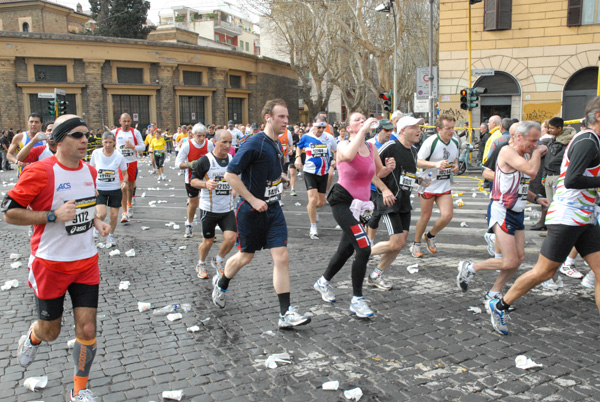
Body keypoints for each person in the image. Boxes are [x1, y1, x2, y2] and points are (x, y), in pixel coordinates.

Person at [2, 114, 111, 402]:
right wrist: (51, 215)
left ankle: (79, 388)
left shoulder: (90, 170)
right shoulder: (40, 171)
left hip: (86, 262)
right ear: (59, 140)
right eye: (77, 135)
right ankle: (34, 337)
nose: (85, 140)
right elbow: (10, 213)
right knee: (51, 331)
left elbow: (88, 204)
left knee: (87, 327)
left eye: (87, 135)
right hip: (50, 264)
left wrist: (96, 222)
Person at [487, 97, 600, 335]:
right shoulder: (587, 141)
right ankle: (499, 305)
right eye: (533, 140)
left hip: (584, 216)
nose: (536, 143)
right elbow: (571, 179)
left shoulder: (593, 140)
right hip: (567, 217)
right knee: (543, 272)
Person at [211, 99, 311, 329]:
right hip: (250, 211)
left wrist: (281, 180)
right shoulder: (254, 143)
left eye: (287, 117)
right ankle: (222, 282)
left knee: (282, 256)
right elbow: (230, 175)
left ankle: (285, 314)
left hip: (273, 209)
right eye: (281, 117)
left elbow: (268, 171)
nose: (286, 121)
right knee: (246, 257)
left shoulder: (278, 142)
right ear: (268, 117)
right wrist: (253, 200)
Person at [312, 112, 395, 318]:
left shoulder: (371, 147)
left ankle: (322, 282)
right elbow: (348, 156)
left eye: (363, 119)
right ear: (349, 128)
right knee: (364, 248)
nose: (362, 121)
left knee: (346, 249)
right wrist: (365, 129)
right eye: (357, 120)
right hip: (343, 201)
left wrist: (388, 168)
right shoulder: (342, 145)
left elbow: (377, 173)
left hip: (365, 205)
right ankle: (357, 300)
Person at [457, 121, 549, 307]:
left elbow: (519, 186)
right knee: (509, 261)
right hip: (503, 211)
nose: (535, 144)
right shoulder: (507, 151)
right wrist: (537, 153)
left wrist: (537, 198)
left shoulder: (524, 154)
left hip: (517, 211)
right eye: (532, 140)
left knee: (519, 259)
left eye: (537, 141)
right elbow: (531, 172)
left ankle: (494, 292)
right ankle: (470, 267)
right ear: (519, 137)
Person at [368, 116, 429, 290]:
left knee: (400, 244)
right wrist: (385, 190)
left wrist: (419, 180)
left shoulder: (414, 151)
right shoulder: (390, 147)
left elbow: (406, 174)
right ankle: (362, 251)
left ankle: (375, 275)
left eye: (419, 127)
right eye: (414, 127)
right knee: (395, 242)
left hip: (403, 201)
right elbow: (370, 171)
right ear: (402, 130)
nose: (419, 130)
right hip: (388, 200)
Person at [411, 114, 460, 258]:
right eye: (447, 128)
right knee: (425, 217)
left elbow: (454, 158)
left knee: (447, 216)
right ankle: (416, 243)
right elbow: (418, 162)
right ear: (439, 129)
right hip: (429, 184)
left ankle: (430, 235)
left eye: (452, 128)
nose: (451, 131)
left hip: (444, 184)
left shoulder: (455, 142)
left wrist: (455, 166)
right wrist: (435, 164)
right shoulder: (430, 142)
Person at [190, 129, 237, 279]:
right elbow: (193, 180)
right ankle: (201, 263)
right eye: (224, 142)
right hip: (209, 209)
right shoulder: (205, 160)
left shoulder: (232, 158)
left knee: (231, 238)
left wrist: (235, 188)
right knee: (208, 241)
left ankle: (218, 260)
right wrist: (205, 184)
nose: (227, 145)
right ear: (215, 142)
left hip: (227, 209)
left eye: (230, 142)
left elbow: (236, 177)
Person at [294, 120, 337, 239]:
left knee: (321, 202)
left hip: (323, 172)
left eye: (323, 128)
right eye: (319, 127)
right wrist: (298, 158)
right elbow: (299, 147)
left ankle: (312, 210)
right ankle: (313, 227)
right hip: (310, 171)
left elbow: (336, 149)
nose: (321, 130)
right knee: (312, 200)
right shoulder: (306, 137)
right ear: (313, 126)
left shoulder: (329, 137)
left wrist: (334, 159)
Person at [90, 131, 128, 249]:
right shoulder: (96, 153)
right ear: (102, 142)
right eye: (105, 142)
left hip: (115, 189)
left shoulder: (119, 156)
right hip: (100, 189)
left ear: (114, 143)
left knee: (114, 215)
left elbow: (125, 173)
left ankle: (111, 235)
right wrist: (92, 186)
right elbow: (90, 170)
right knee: (101, 214)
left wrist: (125, 182)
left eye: (110, 142)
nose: (107, 145)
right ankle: (94, 227)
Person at [175, 123, 215, 238]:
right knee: (193, 203)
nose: (201, 138)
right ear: (193, 135)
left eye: (203, 135)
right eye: (199, 136)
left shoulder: (209, 144)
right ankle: (189, 224)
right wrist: (189, 164)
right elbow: (177, 163)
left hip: (206, 178)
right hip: (191, 178)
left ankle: (207, 229)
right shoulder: (187, 145)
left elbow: (214, 158)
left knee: (207, 203)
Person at [366, 119, 395, 240]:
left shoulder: (393, 143)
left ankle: (369, 242)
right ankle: (367, 242)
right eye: (386, 130)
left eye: (391, 130)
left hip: (385, 186)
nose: (389, 133)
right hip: (369, 185)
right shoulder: (369, 144)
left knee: (376, 215)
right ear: (378, 131)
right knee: (368, 216)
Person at [112, 113, 144, 223]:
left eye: (128, 121)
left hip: (132, 162)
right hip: (120, 163)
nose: (126, 123)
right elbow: (108, 144)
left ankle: (129, 204)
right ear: (119, 121)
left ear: (131, 121)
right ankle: (124, 213)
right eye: (124, 121)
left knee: (130, 186)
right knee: (123, 187)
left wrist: (133, 147)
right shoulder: (115, 132)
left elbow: (143, 146)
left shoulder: (135, 132)